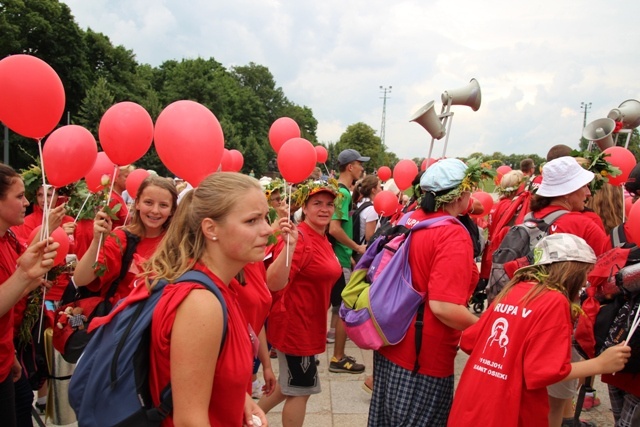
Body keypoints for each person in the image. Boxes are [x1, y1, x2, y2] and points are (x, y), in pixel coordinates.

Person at [448, 233, 632, 427]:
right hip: (510, 409)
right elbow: (543, 371)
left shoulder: (513, 289)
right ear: (573, 270)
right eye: (586, 272)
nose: (586, 280)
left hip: (473, 400)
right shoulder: (554, 300)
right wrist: (601, 364)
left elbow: (470, 341)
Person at [132, 172, 268, 426]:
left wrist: (242, 398)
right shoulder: (200, 304)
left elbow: (208, 377)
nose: (267, 229)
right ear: (210, 228)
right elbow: (189, 420)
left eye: (265, 217)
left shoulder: (220, 288)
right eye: (252, 221)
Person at [368, 158, 481, 426]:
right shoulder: (451, 234)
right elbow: (443, 306)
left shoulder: (409, 218)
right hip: (423, 356)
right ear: (461, 193)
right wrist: (486, 328)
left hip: (390, 339)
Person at [528, 156, 611, 426]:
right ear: (567, 191)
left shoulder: (528, 216)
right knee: (557, 397)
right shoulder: (584, 223)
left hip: (525, 312)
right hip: (562, 319)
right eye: (583, 186)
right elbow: (607, 272)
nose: (588, 192)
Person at [258, 180, 342, 427]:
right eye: (317, 203)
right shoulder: (300, 237)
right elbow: (273, 283)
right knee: (301, 389)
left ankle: (246, 418)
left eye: (329, 204)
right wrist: (291, 247)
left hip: (309, 323)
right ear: (304, 208)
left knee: (289, 384)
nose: (324, 209)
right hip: (296, 326)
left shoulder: (320, 236)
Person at [0, 164, 60, 427]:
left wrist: (9, 353)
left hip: (5, 358)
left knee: (23, 405)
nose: (26, 202)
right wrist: (26, 276)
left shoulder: (7, 238)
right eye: (19, 196)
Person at [72, 175, 177, 303]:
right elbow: (80, 279)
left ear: (172, 210)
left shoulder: (178, 243)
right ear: (137, 203)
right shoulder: (121, 239)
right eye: (148, 202)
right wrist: (96, 242)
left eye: (163, 205)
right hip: (124, 319)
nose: (155, 210)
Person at [327, 149, 368, 374]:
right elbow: (335, 228)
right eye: (360, 164)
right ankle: (338, 358)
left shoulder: (337, 189)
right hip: (338, 259)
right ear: (350, 166)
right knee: (345, 308)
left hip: (340, 257)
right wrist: (356, 248)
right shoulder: (343, 192)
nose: (362, 168)